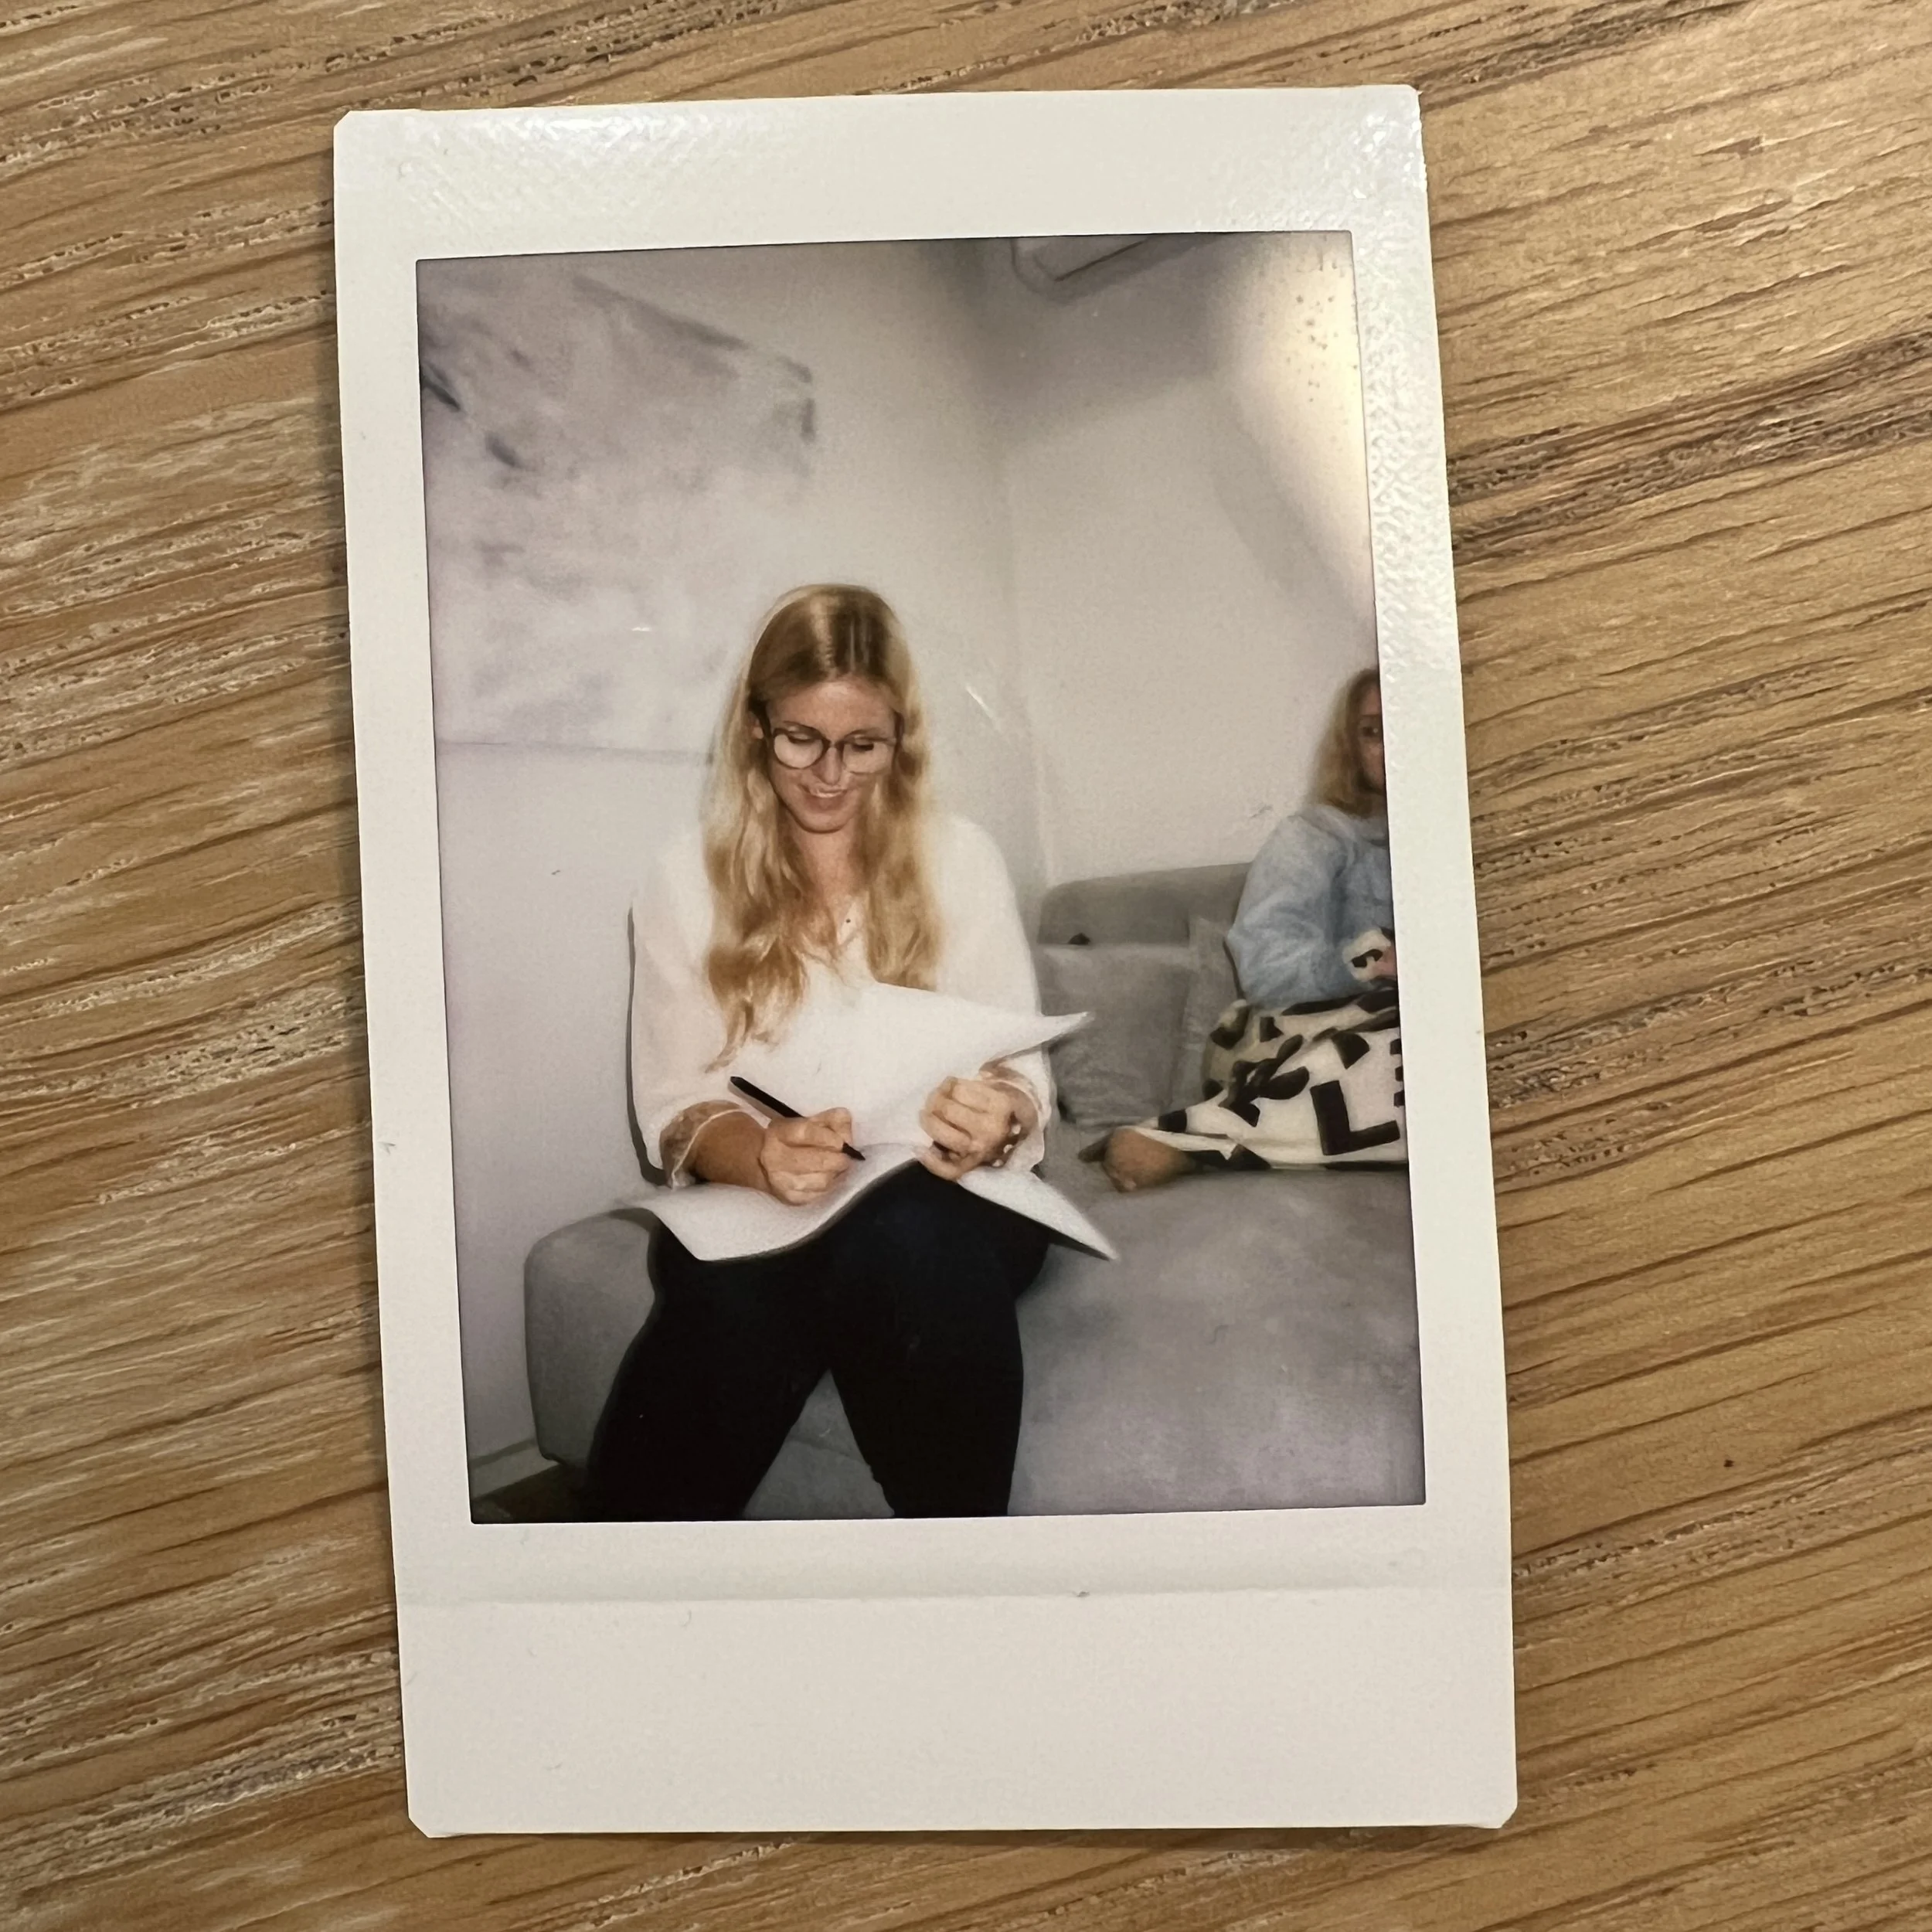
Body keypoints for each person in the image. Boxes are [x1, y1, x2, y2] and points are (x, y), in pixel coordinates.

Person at [588, 585, 1054, 1520]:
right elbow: (676, 1102)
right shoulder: (684, 878)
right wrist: (760, 1155)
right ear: (755, 727)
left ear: (900, 740)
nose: (831, 775)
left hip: (945, 1201)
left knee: (901, 1236)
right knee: (729, 1293)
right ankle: (619, 1582)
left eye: (863, 745)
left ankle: (965, 1569)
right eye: (802, 738)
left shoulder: (961, 860)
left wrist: (998, 1116)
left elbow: (1018, 1067)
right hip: (766, 1202)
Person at [1102, 667, 1397, 1192]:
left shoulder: (1459, 838)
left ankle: (1238, 1143)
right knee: (1400, 1055)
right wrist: (1370, 962)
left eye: (1402, 724)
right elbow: (1265, 968)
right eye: (1372, 731)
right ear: (1351, 747)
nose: (1389, 745)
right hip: (1295, 1037)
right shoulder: (1314, 836)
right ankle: (1197, 1138)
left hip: (1402, 1029)